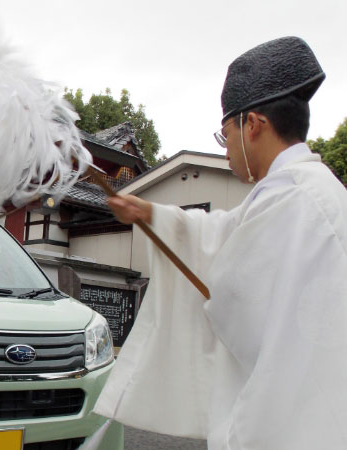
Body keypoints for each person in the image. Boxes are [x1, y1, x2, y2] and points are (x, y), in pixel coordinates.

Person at [91, 36, 347, 450]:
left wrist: (219, 286)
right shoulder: (298, 191)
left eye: (224, 133)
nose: (225, 148)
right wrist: (150, 214)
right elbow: (225, 236)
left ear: (253, 124)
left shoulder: (295, 199)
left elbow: (234, 289)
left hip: (295, 420)